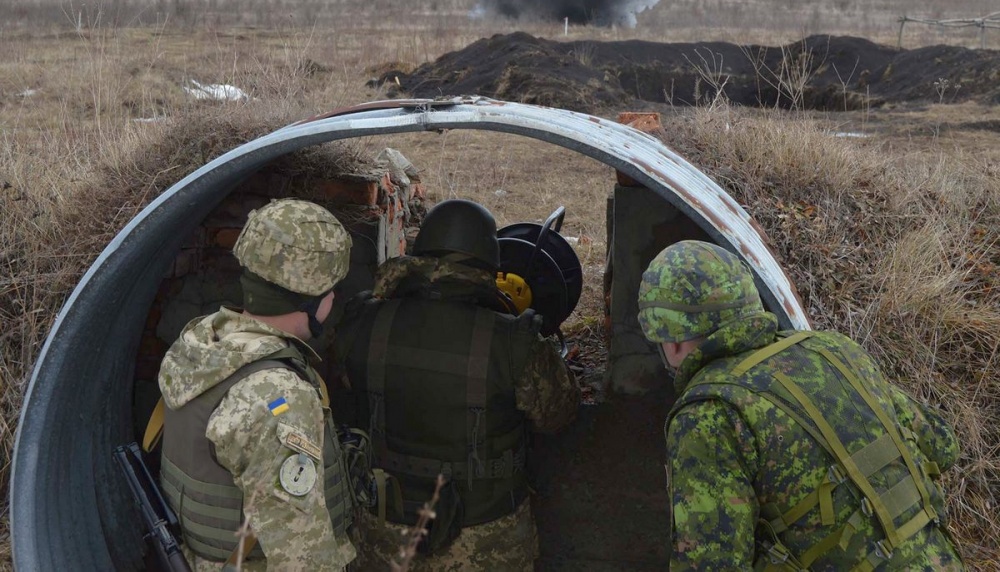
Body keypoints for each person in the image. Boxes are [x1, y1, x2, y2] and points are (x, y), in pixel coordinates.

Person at [637, 239, 965, 571]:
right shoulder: (835, 349)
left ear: (673, 340)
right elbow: (942, 445)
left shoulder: (707, 414)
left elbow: (710, 564)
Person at [334, 198, 581, 571]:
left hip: (386, 529)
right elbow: (558, 415)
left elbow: (340, 397)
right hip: (485, 534)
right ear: (489, 263)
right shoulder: (513, 340)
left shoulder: (362, 321)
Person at [157, 198, 358, 571]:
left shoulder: (202, 344)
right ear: (314, 300)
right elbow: (303, 558)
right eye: (332, 290)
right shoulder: (278, 397)